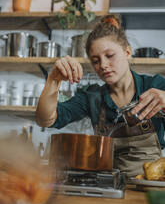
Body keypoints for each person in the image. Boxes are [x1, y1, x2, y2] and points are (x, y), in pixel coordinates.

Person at [36, 15, 165, 177]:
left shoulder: (156, 85)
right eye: (95, 61)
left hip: (151, 183)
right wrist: (53, 80)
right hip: (108, 184)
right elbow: (45, 120)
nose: (103, 65)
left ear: (127, 52)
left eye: (110, 56)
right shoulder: (92, 96)